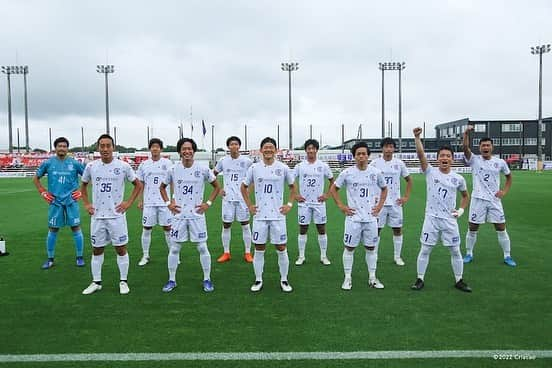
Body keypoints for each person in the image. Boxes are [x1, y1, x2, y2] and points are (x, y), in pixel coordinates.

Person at [410, 127, 472, 292]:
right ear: (437, 159)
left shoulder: (458, 178)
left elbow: (466, 196)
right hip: (431, 218)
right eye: (442, 156)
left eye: (448, 156)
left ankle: (459, 280)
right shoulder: (430, 172)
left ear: (452, 159)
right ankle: (419, 279)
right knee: (425, 249)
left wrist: (461, 210)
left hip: (449, 220)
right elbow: (421, 156)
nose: (445, 158)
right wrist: (417, 138)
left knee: (455, 251)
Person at [80, 134, 142, 295]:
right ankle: (96, 282)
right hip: (98, 217)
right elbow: (83, 185)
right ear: (98, 148)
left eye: (108, 146)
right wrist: (86, 203)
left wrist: (128, 202)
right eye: (102, 146)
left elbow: (138, 185)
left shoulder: (123, 166)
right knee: (97, 250)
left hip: (116, 217)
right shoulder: (91, 166)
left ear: (113, 148)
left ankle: (123, 281)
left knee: (121, 249)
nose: (105, 149)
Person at [160, 138, 220, 293]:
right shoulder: (173, 169)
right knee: (174, 248)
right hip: (178, 216)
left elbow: (216, 187)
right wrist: (168, 204)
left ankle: (207, 279)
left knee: (202, 247)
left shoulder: (203, 169)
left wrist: (208, 203)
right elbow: (162, 187)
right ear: (179, 152)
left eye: (190, 149)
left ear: (194, 151)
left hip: (196, 215)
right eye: (184, 149)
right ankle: (171, 280)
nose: (187, 151)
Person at [240, 137, 296, 292]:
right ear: (261, 150)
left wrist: (289, 204)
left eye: (271, 147)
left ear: (276, 150)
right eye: (265, 147)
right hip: (260, 216)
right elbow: (243, 187)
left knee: (281, 247)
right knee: (259, 248)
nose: (268, 150)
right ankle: (258, 280)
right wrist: (249, 205)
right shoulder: (254, 168)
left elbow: (293, 188)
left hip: (278, 216)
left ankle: (284, 280)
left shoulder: (283, 168)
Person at [330, 142, 388, 291]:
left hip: (370, 219)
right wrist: (342, 206)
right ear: (354, 156)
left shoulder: (375, 173)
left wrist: (380, 206)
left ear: (368, 156)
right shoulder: (347, 173)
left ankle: (372, 277)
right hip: (353, 219)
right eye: (358, 154)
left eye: (364, 154)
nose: (361, 156)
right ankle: (347, 278)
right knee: (349, 248)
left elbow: (384, 189)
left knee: (371, 248)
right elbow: (333, 189)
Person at [461, 126, 515, 267]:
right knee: (472, 227)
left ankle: (507, 256)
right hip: (478, 200)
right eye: (483, 145)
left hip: (494, 200)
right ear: (480, 148)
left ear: (492, 147)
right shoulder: (474, 160)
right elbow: (465, 148)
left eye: (488, 145)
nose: (485, 147)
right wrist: (466, 133)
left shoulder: (500, 162)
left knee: (501, 227)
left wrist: (504, 191)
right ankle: (469, 253)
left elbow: (509, 177)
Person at [33, 137, 85, 269]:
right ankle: (50, 259)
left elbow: (88, 176)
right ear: (55, 148)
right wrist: (42, 192)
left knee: (76, 228)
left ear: (67, 148)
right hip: (55, 202)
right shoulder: (48, 163)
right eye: (59, 146)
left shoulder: (74, 163)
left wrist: (81, 191)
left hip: (71, 201)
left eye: (64, 146)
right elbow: (36, 178)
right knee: (53, 229)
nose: (62, 148)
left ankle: (79, 257)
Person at [369, 137, 412, 266]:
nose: (388, 149)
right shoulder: (375, 164)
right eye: (386, 146)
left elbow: (409, 180)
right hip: (379, 204)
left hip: (395, 203)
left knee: (397, 229)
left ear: (394, 148)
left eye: (390, 146)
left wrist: (406, 197)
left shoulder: (399, 163)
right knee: (376, 230)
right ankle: (374, 254)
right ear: (382, 148)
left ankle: (397, 256)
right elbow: (368, 180)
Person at [213, 136, 253, 263]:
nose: (234, 146)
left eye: (236, 144)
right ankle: (226, 253)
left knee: (245, 225)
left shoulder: (247, 161)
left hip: (242, 200)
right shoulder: (223, 161)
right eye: (231, 144)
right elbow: (211, 175)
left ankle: (247, 253)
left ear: (239, 146)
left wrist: (248, 191)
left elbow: (254, 177)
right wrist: (219, 189)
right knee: (226, 225)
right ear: (228, 147)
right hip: (228, 199)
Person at [293, 139, 334, 266]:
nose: (311, 150)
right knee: (303, 228)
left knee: (321, 228)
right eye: (308, 148)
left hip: (318, 203)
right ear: (305, 150)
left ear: (316, 150)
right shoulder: (300, 166)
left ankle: (323, 256)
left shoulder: (323, 166)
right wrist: (296, 195)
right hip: (304, 203)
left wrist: (327, 195)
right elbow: (291, 180)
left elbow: (333, 181)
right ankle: (301, 256)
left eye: (313, 148)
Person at [136, 138, 174, 266]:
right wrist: (140, 199)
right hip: (149, 202)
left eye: (157, 146)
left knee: (168, 228)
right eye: (153, 146)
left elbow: (173, 181)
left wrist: (173, 198)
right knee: (147, 228)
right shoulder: (143, 164)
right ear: (150, 149)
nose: (155, 149)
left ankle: (173, 254)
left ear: (161, 149)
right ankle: (145, 255)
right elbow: (140, 183)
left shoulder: (168, 163)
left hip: (165, 202)